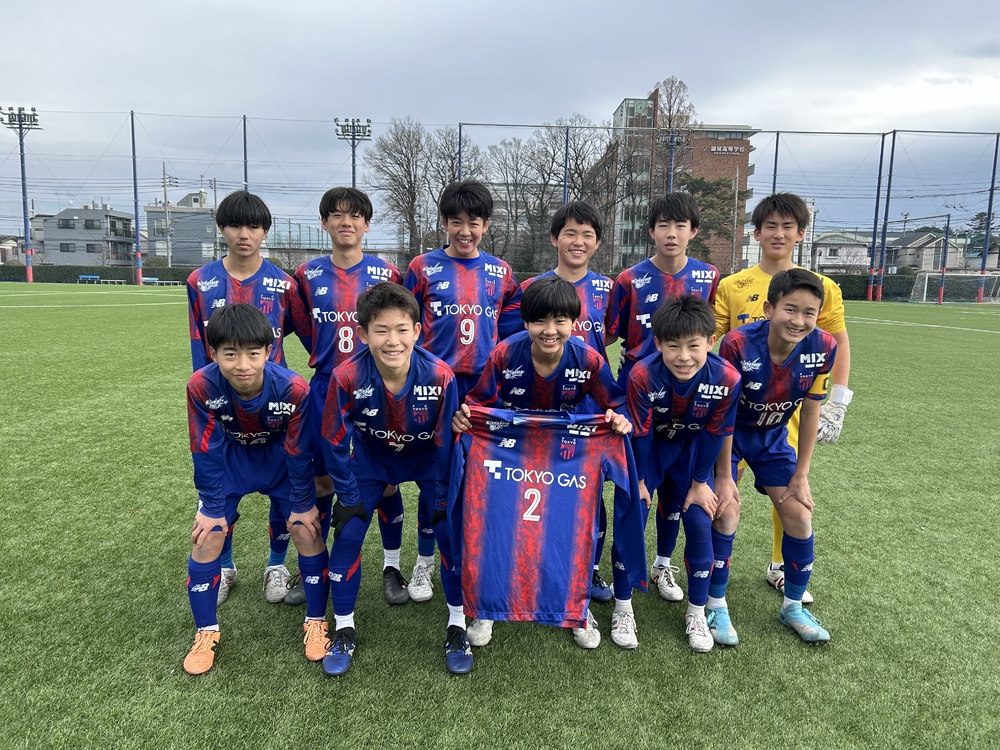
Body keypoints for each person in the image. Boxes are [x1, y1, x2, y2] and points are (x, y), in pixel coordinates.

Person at [453, 275, 630, 650]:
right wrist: (465, 416)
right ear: (526, 322)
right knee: (500, 526)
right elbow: (479, 401)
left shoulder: (588, 358)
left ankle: (577, 609)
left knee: (569, 531)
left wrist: (619, 418)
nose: (550, 331)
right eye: (539, 321)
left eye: (560, 321)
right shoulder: (505, 354)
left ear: (574, 322)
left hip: (566, 456)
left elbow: (615, 401)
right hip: (511, 452)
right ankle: (488, 608)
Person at [320, 283, 469, 675]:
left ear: (417, 331)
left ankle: (457, 625)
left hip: (427, 461)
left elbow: (446, 443)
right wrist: (347, 495)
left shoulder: (439, 375)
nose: (392, 340)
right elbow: (334, 441)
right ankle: (344, 628)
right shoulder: (346, 376)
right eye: (381, 330)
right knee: (348, 533)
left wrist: (443, 500)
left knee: (450, 534)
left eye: (402, 329)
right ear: (362, 333)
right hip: (373, 461)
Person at [713, 193, 853, 601]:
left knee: (791, 486)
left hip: (789, 403)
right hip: (739, 400)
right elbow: (710, 335)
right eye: (770, 226)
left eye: (787, 226)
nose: (779, 234)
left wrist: (838, 401)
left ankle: (780, 564)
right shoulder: (733, 285)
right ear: (756, 233)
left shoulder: (822, 287)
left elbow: (837, 341)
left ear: (800, 233)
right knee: (726, 490)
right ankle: (715, 575)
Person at [182, 304, 328, 675]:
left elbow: (300, 450)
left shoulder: (293, 388)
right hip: (232, 459)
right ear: (213, 353)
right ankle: (206, 632)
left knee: (306, 530)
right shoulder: (201, 385)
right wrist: (211, 507)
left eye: (252, 353)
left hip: (279, 459)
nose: (242, 365)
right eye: (230, 354)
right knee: (208, 535)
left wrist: (302, 502)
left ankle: (316, 621)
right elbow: (205, 448)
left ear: (268, 350)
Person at [185, 190, 309, 606]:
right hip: (223, 404)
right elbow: (199, 345)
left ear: (265, 231)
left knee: (283, 491)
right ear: (221, 228)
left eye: (254, 226)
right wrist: (208, 393)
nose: (244, 234)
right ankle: (224, 567)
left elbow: (308, 336)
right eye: (235, 225)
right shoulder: (199, 282)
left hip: (273, 406)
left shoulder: (284, 283)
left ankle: (276, 565)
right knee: (220, 492)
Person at [402, 179, 521, 603]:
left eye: (474, 222)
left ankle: (476, 557)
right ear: (444, 223)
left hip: (486, 389)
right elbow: (405, 323)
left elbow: (510, 330)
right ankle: (424, 561)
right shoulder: (421, 267)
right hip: (436, 386)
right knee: (434, 476)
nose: (465, 231)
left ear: (486, 225)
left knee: (482, 476)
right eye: (457, 222)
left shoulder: (501, 272)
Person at [293, 187, 408, 607]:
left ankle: (392, 565)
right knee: (323, 479)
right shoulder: (306, 275)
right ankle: (316, 565)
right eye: (337, 215)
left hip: (378, 386)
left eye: (355, 215)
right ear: (325, 223)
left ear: (367, 224)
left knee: (387, 481)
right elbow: (304, 328)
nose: (347, 222)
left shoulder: (386, 272)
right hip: (327, 387)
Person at [499, 201, 617, 603]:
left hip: (586, 410)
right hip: (535, 410)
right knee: (530, 489)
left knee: (587, 492)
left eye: (587, 235)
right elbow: (510, 337)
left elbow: (611, 335)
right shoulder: (531, 289)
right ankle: (528, 564)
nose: (578, 241)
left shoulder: (608, 288)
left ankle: (589, 567)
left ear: (597, 243)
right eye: (570, 233)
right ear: (554, 239)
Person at [605, 192, 720, 603]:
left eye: (680, 226)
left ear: (694, 231)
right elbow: (608, 335)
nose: (671, 234)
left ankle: (662, 564)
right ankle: (623, 583)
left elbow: (707, 334)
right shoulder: (628, 280)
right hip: (639, 397)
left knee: (677, 492)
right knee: (635, 493)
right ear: (651, 231)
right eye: (663, 226)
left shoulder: (709, 276)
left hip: (688, 399)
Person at [717, 269, 837, 643]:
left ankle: (793, 607)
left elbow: (812, 410)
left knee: (799, 513)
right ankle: (714, 605)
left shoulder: (824, 346)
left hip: (772, 438)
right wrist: (724, 475)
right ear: (769, 309)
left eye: (809, 312)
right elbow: (722, 413)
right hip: (730, 435)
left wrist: (801, 475)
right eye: (790, 309)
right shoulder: (737, 344)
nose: (798, 320)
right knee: (725, 510)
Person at [624, 296, 741, 651]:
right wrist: (639, 480)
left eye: (694, 345)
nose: (684, 356)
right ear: (658, 343)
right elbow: (641, 434)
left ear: (711, 341)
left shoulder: (727, 377)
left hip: (693, 452)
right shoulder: (642, 374)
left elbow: (715, 433)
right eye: (673, 346)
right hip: (653, 450)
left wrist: (701, 481)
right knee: (633, 511)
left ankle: (697, 611)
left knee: (699, 519)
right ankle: (622, 606)